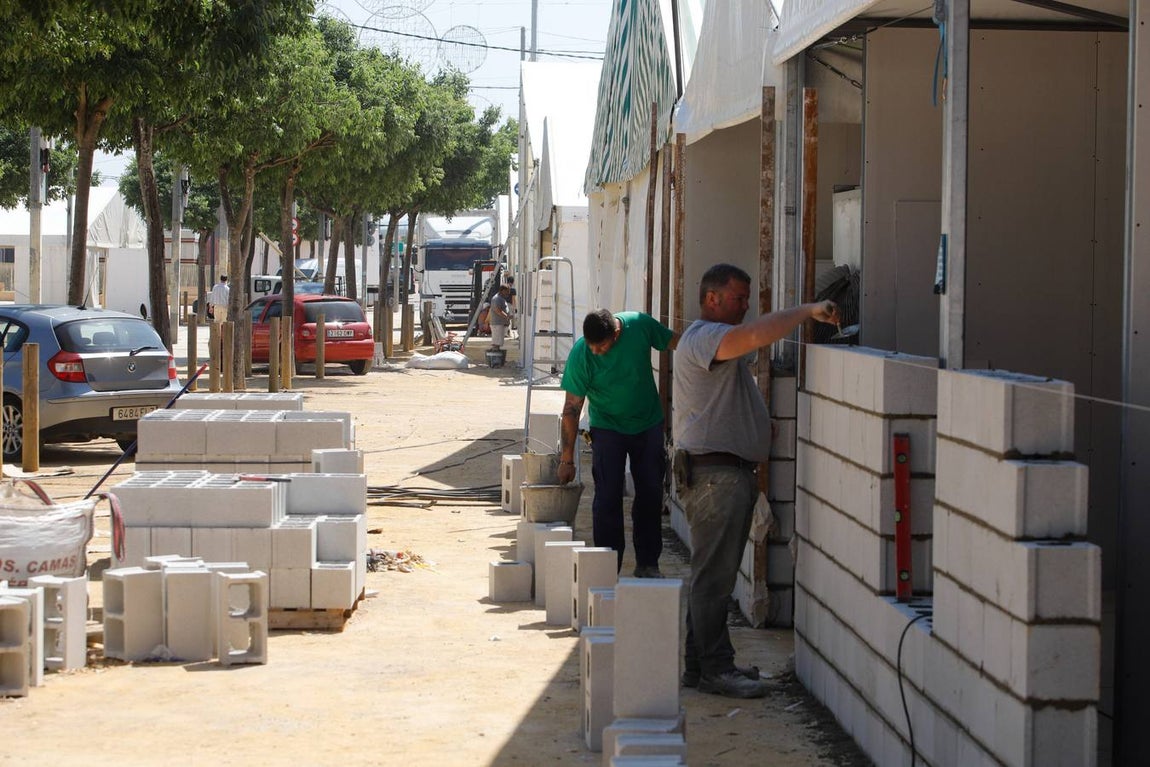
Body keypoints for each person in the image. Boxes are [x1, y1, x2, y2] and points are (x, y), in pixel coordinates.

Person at [673, 263, 839, 699]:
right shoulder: (707, 337)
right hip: (716, 477)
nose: (745, 307)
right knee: (714, 581)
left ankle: (702, 665)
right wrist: (806, 311)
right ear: (712, 299)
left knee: (712, 578)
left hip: (722, 474)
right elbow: (754, 336)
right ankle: (714, 668)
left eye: (748, 299)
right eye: (738, 298)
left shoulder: (712, 345)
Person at [557, 309, 678, 576]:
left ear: (617, 333)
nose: (596, 351)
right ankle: (607, 567)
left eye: (601, 346)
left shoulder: (640, 326)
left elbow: (675, 342)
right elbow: (571, 409)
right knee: (607, 496)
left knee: (649, 494)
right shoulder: (581, 354)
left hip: (647, 425)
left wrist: (713, 351)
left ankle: (648, 564)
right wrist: (566, 459)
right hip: (607, 427)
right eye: (591, 345)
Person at [489, 283, 512, 349]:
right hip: (497, 324)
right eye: (507, 291)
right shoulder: (496, 299)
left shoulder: (501, 298)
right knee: (496, 343)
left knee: (498, 342)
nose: (508, 293)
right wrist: (507, 316)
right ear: (503, 290)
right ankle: (495, 358)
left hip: (499, 324)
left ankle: (496, 356)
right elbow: (497, 310)